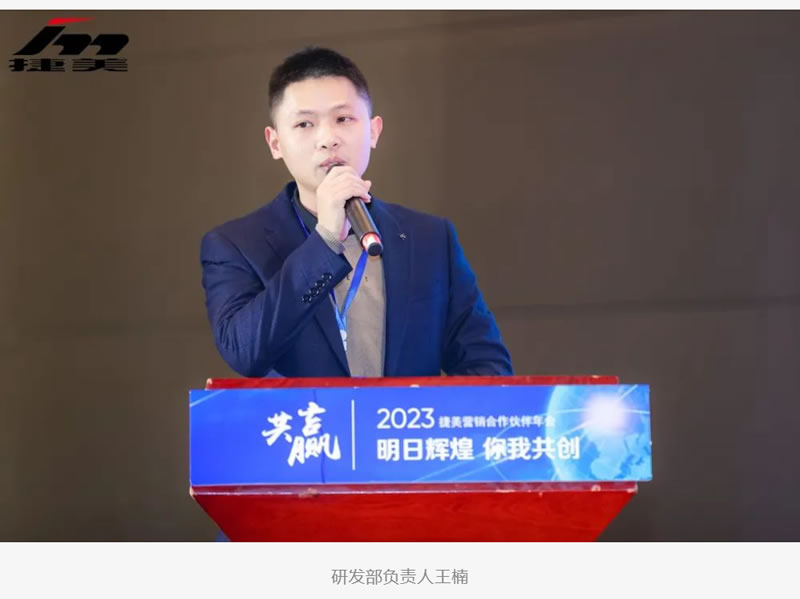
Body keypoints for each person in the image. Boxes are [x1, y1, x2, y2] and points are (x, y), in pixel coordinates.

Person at [200, 47, 512, 378]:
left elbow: (488, 367)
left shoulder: (430, 239)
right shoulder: (236, 245)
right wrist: (325, 240)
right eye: (305, 124)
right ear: (275, 143)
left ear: (373, 131)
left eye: (343, 119)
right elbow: (245, 353)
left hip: (405, 415)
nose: (327, 139)